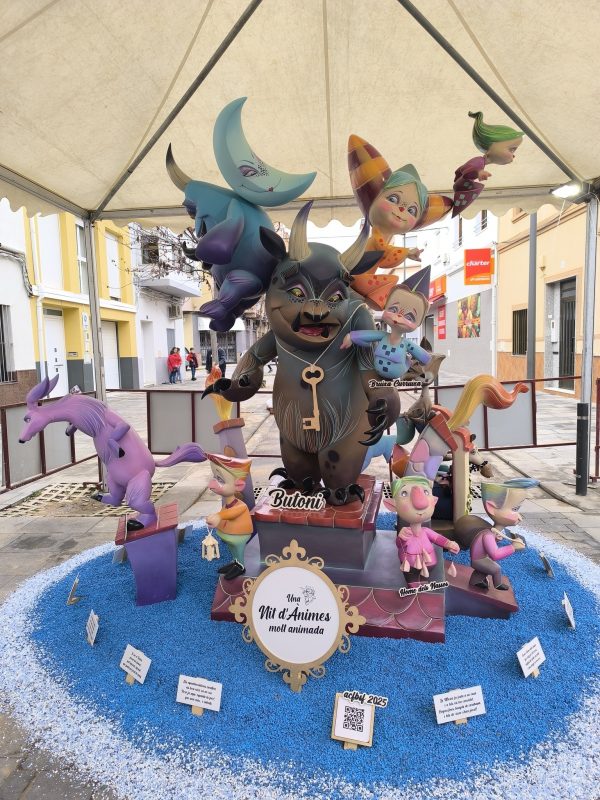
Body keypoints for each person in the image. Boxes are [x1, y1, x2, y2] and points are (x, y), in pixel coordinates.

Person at [205, 453, 253, 581]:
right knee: (233, 549)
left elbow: (231, 513)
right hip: (230, 536)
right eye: (215, 477)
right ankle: (235, 562)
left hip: (239, 536)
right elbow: (224, 514)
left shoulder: (241, 506)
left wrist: (219, 516)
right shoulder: (226, 505)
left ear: (238, 485)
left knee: (238, 549)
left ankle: (241, 566)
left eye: (220, 479)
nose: (212, 484)